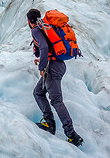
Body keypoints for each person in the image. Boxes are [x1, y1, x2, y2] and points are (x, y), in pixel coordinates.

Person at [27, 9, 84, 147]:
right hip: (58, 65)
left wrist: (41, 67)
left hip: (52, 68)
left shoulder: (36, 30)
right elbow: (49, 48)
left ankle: (72, 134)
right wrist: (43, 60)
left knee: (57, 100)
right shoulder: (44, 28)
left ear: (29, 21)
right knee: (38, 92)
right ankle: (49, 122)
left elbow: (45, 47)